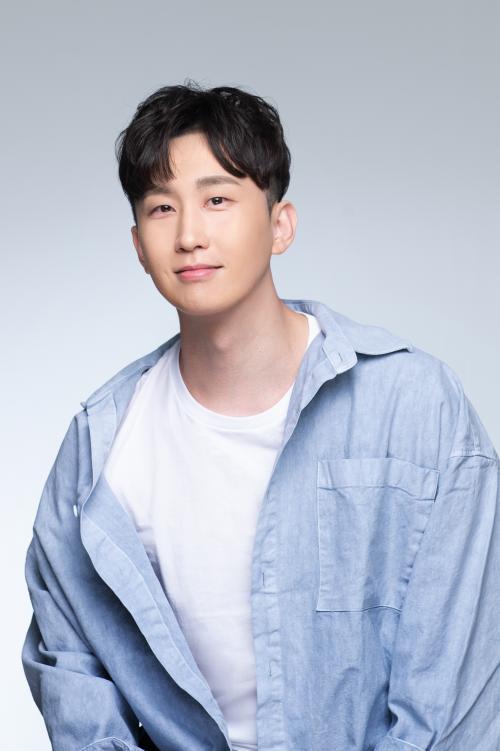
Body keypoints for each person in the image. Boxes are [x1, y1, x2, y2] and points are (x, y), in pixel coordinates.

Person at [22, 81, 500, 751]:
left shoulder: (417, 409)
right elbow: (73, 672)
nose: (190, 235)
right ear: (137, 245)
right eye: (162, 208)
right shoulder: (100, 445)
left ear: (281, 226)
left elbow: (456, 696)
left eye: (218, 199)